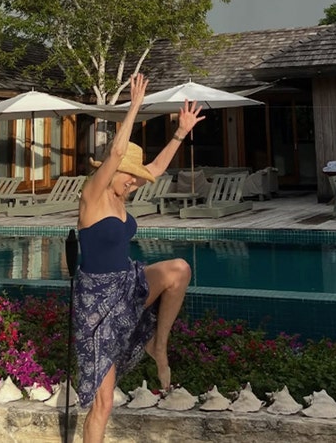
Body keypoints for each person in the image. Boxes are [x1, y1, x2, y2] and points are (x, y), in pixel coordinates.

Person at [74, 73, 203, 443]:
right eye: (127, 176)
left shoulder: (120, 197)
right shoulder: (93, 196)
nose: (132, 181)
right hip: (96, 306)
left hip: (127, 285)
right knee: (103, 403)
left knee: (179, 269)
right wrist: (133, 107)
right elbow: (115, 153)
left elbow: (157, 169)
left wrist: (180, 132)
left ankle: (158, 345)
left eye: (134, 177)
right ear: (111, 172)